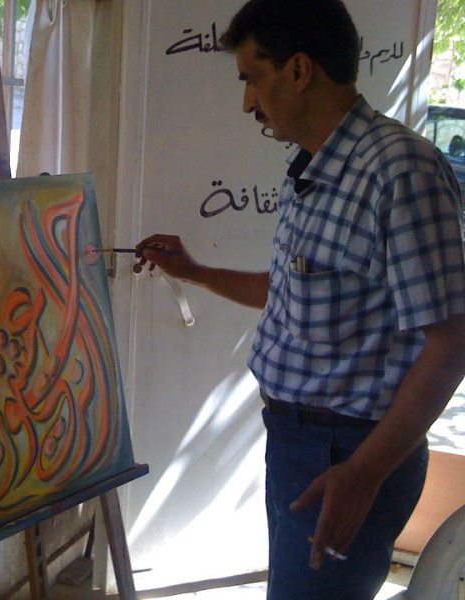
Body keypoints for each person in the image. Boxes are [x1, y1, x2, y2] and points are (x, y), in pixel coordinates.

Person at [135, 1, 465, 598]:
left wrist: (363, 474)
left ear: (298, 70)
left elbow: (451, 344)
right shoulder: (310, 168)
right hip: (297, 444)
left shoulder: (402, 172)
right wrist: (196, 272)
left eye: (252, 78)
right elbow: (292, 291)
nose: (247, 103)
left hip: (348, 454)